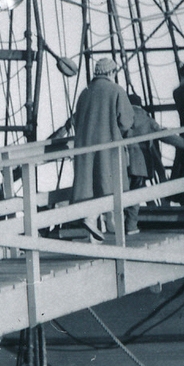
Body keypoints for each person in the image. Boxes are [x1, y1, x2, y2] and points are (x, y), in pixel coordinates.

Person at [70, 57, 134, 240]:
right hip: (109, 145)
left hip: (84, 147)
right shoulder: (116, 91)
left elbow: (76, 120)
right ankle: (100, 220)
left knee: (90, 184)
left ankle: (97, 222)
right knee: (110, 182)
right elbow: (126, 121)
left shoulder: (85, 93)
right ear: (112, 72)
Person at [125, 93, 184, 233]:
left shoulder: (122, 117)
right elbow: (164, 134)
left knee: (123, 193)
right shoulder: (146, 119)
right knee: (136, 195)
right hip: (141, 164)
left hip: (123, 162)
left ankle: (120, 224)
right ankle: (131, 226)